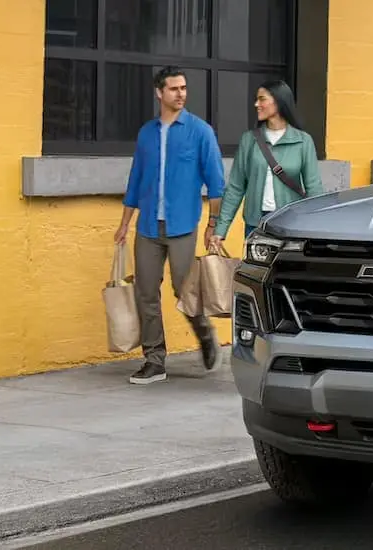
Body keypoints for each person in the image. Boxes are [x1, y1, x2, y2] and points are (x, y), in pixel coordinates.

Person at [113, 66, 225, 385]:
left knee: (184, 290)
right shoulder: (147, 133)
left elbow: (216, 183)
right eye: (174, 89)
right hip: (148, 225)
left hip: (182, 226)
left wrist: (213, 224)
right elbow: (136, 180)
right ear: (159, 93)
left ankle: (204, 334)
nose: (181, 94)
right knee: (146, 292)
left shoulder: (200, 132)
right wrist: (125, 224)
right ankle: (154, 360)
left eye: (184, 88)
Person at [209, 79, 324, 252]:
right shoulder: (249, 140)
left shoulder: (303, 141)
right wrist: (220, 229)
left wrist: (316, 229)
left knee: (288, 274)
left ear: (278, 101)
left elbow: (314, 188)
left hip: (291, 224)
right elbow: (235, 187)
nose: (257, 104)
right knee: (255, 274)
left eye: (262, 99)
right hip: (255, 224)